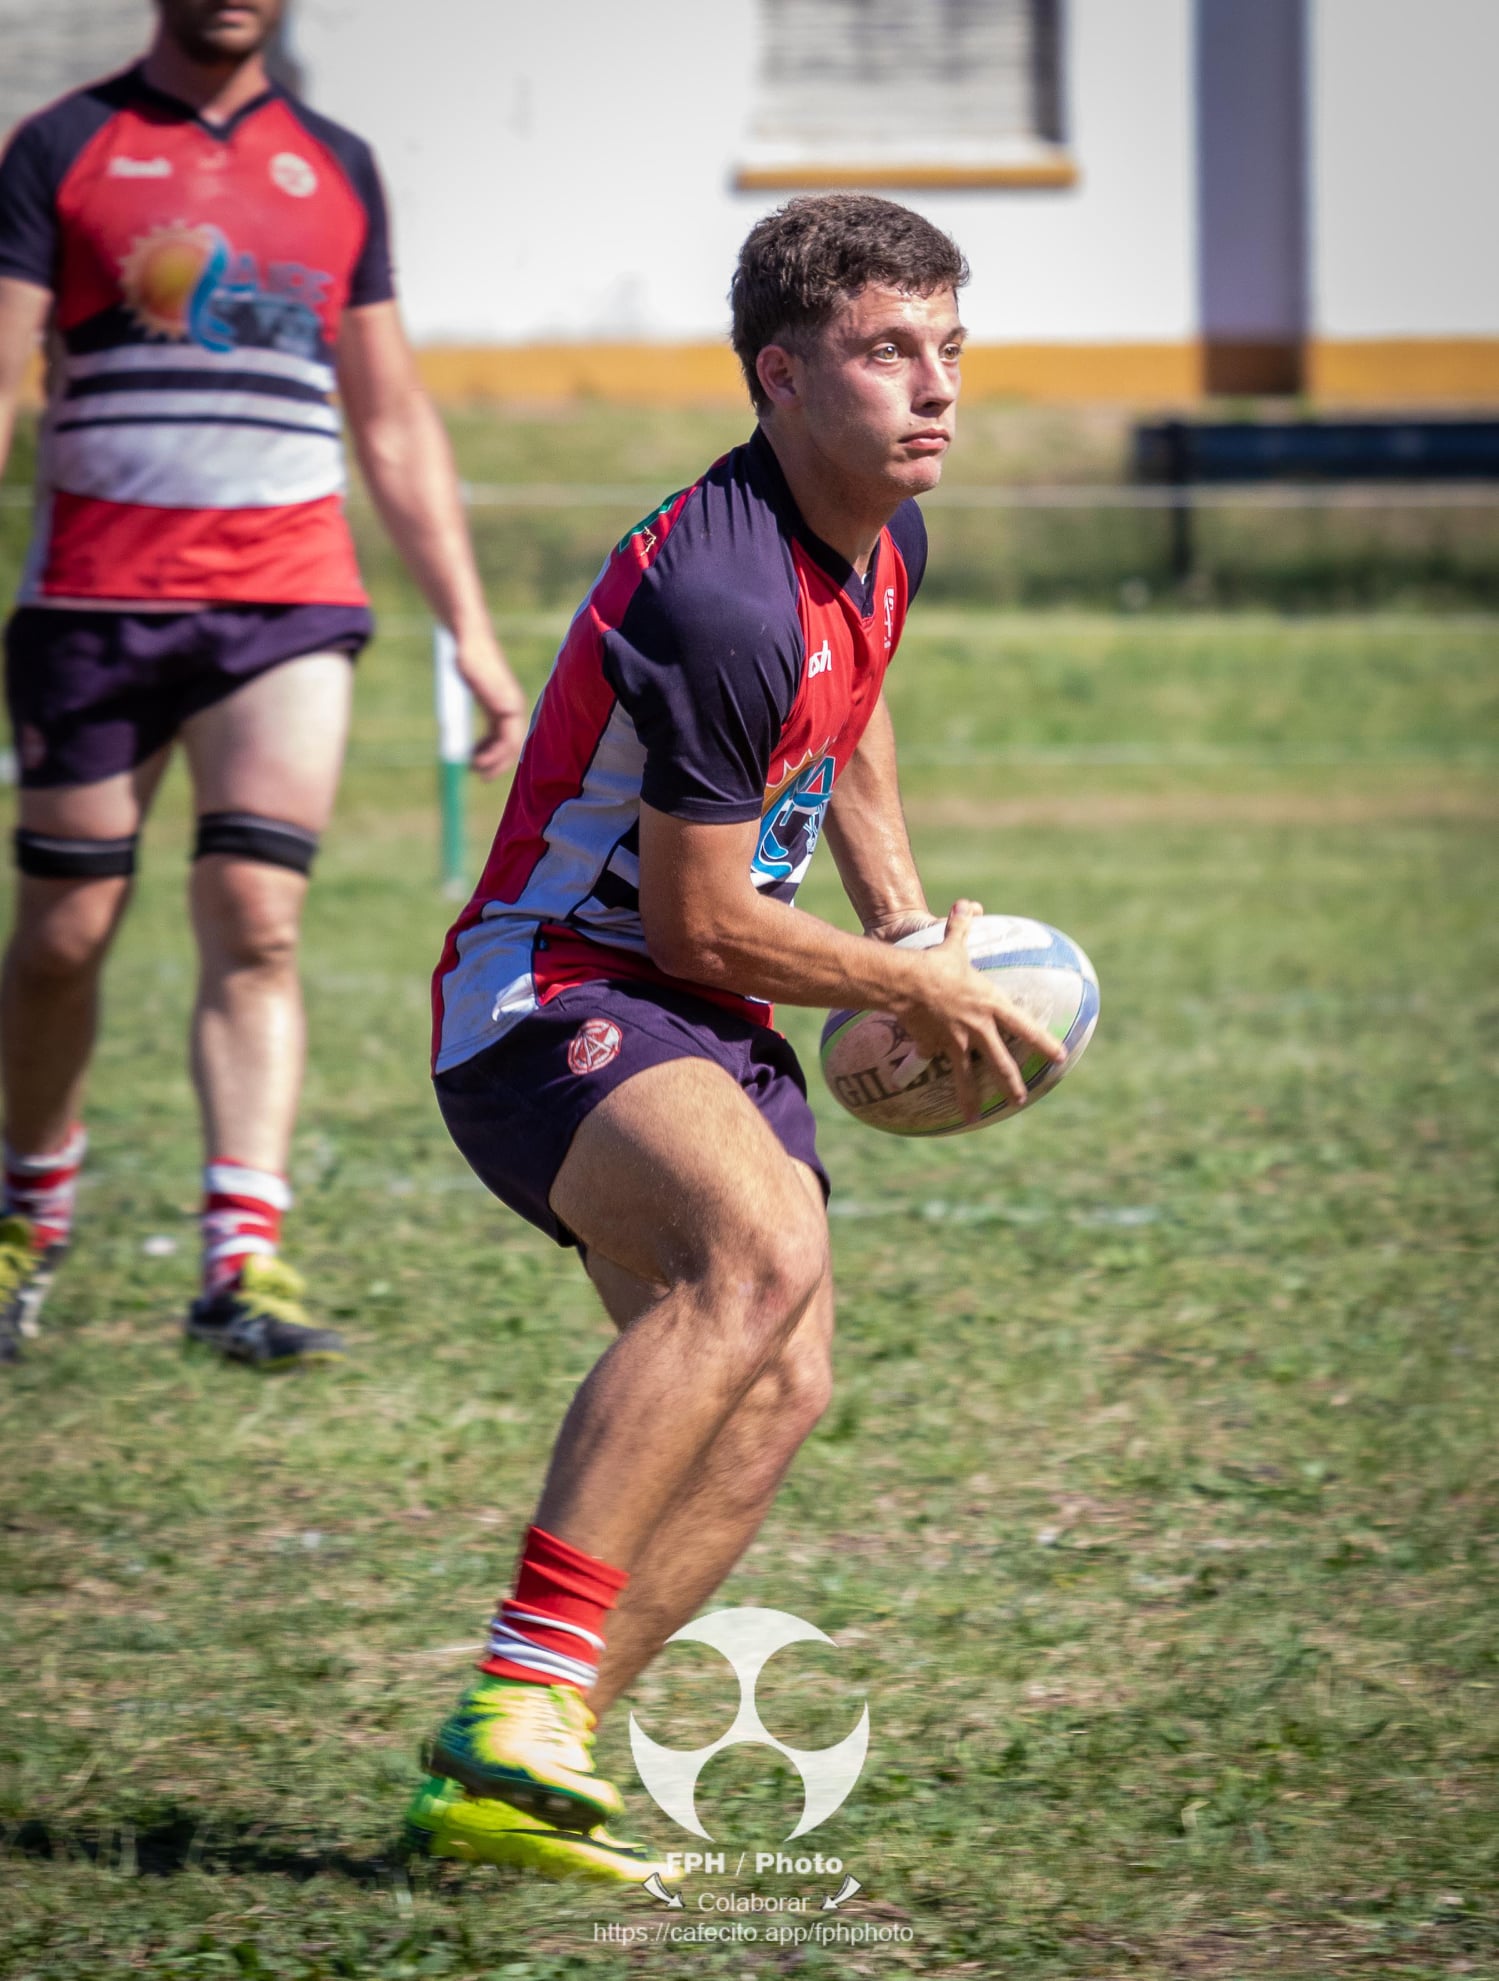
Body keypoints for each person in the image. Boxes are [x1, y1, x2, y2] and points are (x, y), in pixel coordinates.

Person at [406, 193, 1067, 1881]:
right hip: (546, 988)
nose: (934, 390)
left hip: (690, 1004)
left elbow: (852, 721)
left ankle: (517, 1761)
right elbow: (699, 924)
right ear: (778, 375)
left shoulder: (878, 536)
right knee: (758, 1250)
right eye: (885, 352)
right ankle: (523, 1690)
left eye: (950, 349)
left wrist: (906, 921)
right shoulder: (721, 589)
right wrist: (912, 986)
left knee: (779, 1383)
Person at [0, 0, 526, 1368]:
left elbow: (392, 416)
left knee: (259, 920)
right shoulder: (61, 145)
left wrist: (466, 627)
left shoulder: (339, 164)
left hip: (287, 603)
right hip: (93, 604)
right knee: (62, 932)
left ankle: (243, 1263)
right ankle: (24, 1215)